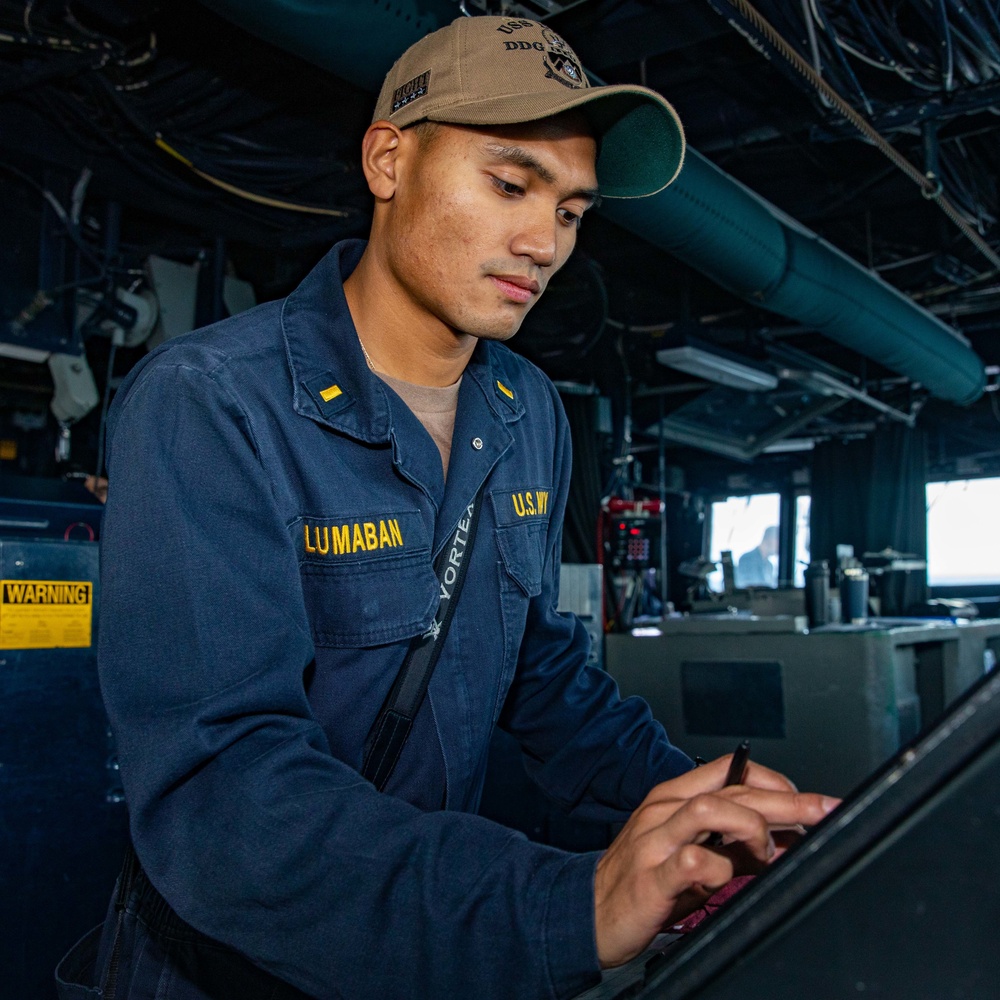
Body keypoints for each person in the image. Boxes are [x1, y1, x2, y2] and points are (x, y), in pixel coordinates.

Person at [57, 16, 836, 1000]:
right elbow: (226, 795)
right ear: (389, 159)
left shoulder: (525, 410)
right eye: (510, 184)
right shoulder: (211, 403)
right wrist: (569, 903)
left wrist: (701, 808)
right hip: (227, 971)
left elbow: (536, 671)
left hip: (421, 951)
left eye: (571, 210)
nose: (542, 242)